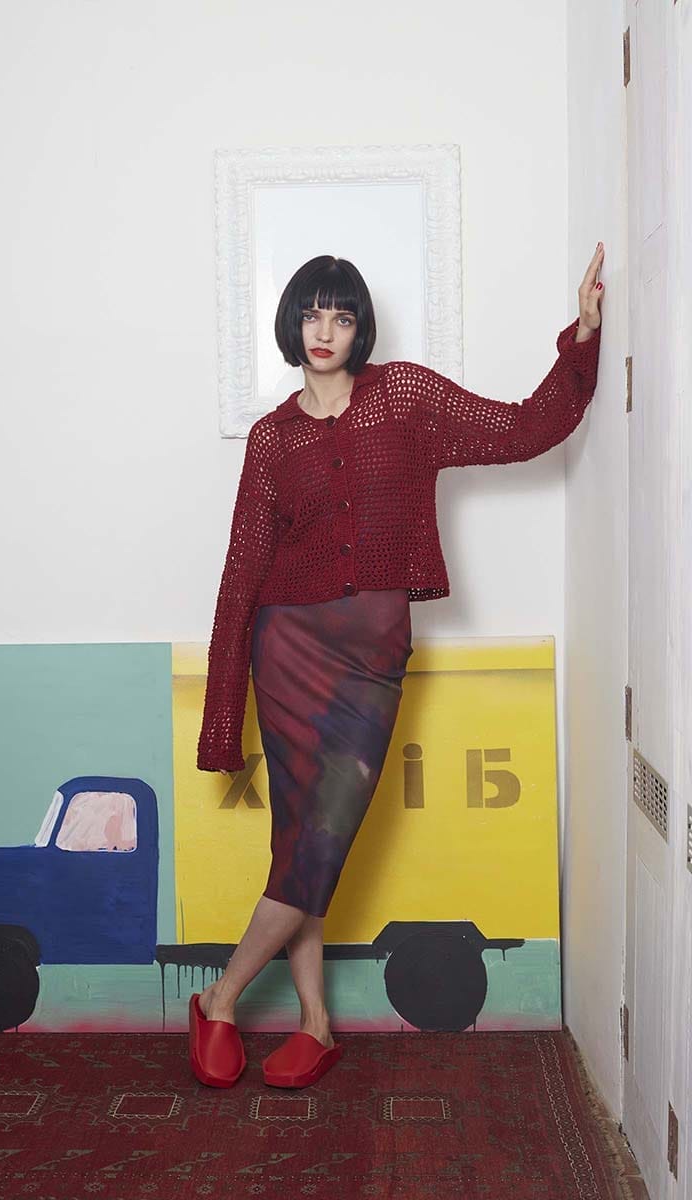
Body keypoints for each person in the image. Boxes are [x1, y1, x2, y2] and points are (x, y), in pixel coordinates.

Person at [189, 249, 605, 1090]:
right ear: (292, 323)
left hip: (369, 657)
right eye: (313, 314)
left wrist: (583, 339)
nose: (325, 331)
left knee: (319, 840)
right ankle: (316, 1024)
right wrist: (224, 714)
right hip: (286, 651)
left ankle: (220, 996)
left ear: (361, 329)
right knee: (302, 845)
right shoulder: (272, 440)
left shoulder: (405, 400)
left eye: (342, 316)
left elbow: (520, 429)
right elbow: (242, 575)